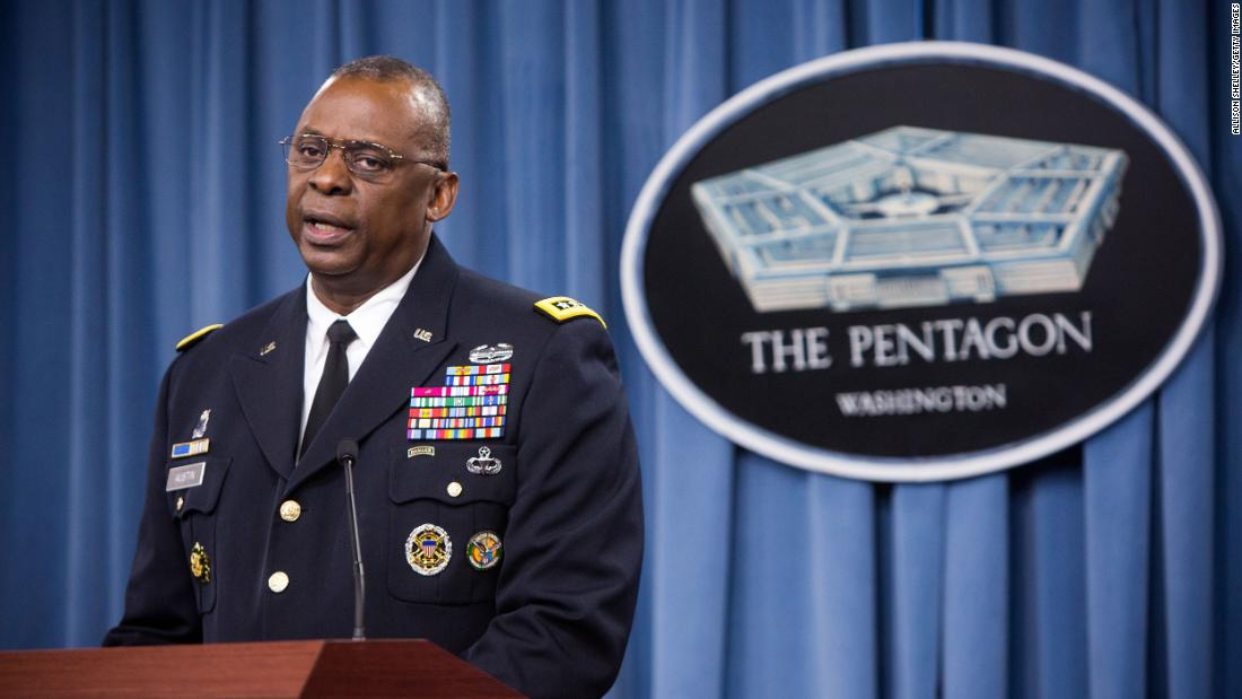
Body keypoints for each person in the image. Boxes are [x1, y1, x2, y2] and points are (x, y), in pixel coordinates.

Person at [104, 56, 643, 698]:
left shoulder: (539, 353)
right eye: (310, 151)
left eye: (369, 161)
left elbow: (563, 631)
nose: (327, 179)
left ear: (439, 195)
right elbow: (158, 633)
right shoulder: (207, 370)